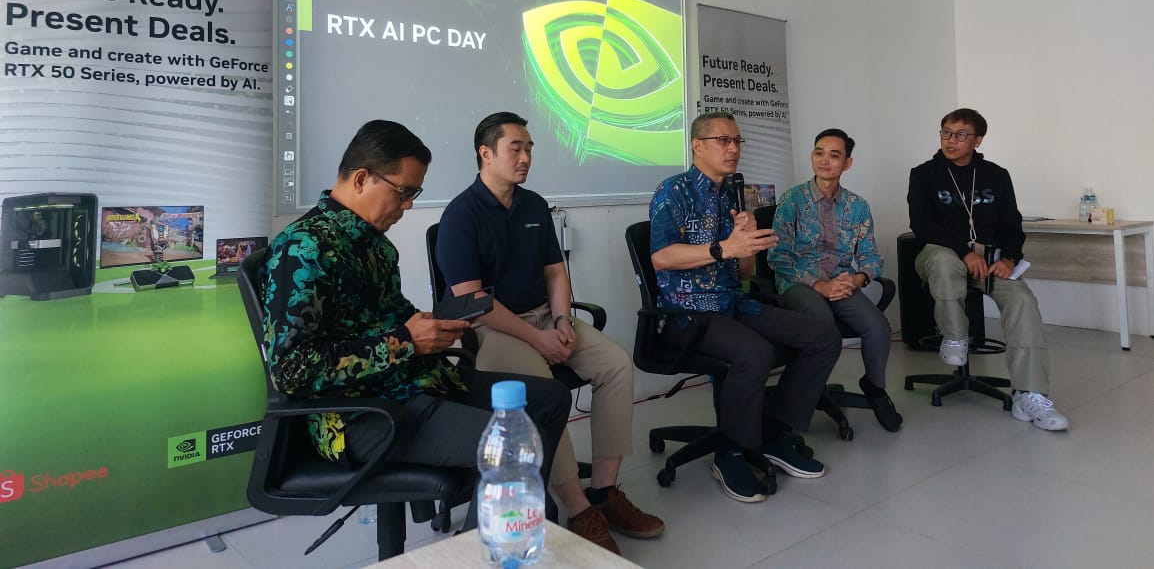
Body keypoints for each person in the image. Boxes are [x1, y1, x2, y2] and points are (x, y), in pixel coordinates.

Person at [259, 120, 572, 531]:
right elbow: (292, 370)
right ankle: (489, 546)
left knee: (551, 399)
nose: (407, 206)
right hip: (362, 414)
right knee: (512, 447)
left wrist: (431, 326)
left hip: (414, 384)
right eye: (403, 192)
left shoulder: (375, 245)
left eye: (414, 194)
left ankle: (512, 521)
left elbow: (395, 318)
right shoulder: (304, 248)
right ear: (361, 179)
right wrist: (406, 341)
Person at [437, 112, 664, 555]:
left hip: (544, 317)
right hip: (490, 327)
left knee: (616, 364)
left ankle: (605, 490)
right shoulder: (460, 215)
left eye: (529, 149)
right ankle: (578, 509)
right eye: (515, 148)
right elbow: (472, 298)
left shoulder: (534, 205)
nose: (526, 157)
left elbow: (556, 273)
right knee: (544, 391)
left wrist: (560, 322)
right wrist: (535, 338)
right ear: (486, 154)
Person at [649, 112, 842, 503]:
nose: (733, 149)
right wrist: (724, 247)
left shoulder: (733, 197)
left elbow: (744, 272)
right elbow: (661, 258)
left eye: (737, 141)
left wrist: (747, 242)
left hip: (732, 301)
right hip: (687, 312)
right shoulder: (673, 191)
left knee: (822, 335)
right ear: (697, 145)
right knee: (754, 353)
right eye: (723, 140)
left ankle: (774, 433)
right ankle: (731, 452)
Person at [908, 108, 1068, 431]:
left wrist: (1009, 258)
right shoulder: (924, 174)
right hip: (939, 256)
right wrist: (965, 252)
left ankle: (1029, 393)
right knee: (944, 261)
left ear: (978, 140)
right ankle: (955, 336)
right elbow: (922, 225)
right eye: (946, 132)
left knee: (1022, 300)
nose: (951, 140)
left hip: (988, 262)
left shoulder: (996, 175)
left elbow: (1011, 224)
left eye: (961, 135)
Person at [770, 128, 902, 432]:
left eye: (834, 155)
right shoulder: (792, 200)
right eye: (819, 152)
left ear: (847, 163)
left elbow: (871, 257)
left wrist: (857, 279)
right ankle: (797, 404)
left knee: (878, 327)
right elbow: (778, 258)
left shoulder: (857, 207)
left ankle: (875, 388)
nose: (824, 160)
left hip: (841, 282)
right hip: (799, 283)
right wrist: (820, 286)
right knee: (822, 324)